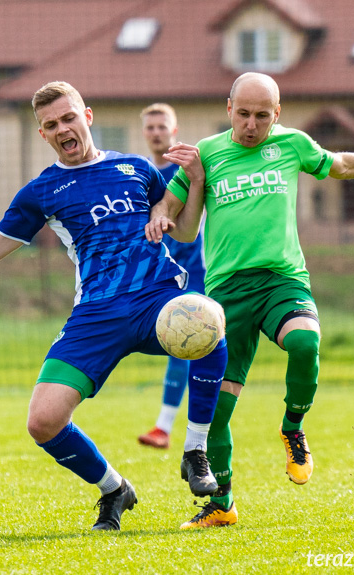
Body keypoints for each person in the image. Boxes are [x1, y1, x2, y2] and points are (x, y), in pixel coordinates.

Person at [0, 81, 228, 532]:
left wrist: (194, 183)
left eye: (68, 118)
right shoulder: (42, 192)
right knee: (42, 422)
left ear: (88, 116)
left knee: (208, 323)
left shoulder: (136, 168)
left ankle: (194, 450)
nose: (63, 129)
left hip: (155, 300)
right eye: (51, 125)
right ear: (42, 134)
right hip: (95, 316)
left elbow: (183, 231)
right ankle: (115, 489)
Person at [146, 72, 354, 529]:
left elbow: (340, 165)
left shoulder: (292, 144)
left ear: (278, 113)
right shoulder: (208, 154)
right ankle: (222, 503)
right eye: (243, 114)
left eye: (262, 116)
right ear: (229, 106)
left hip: (282, 279)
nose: (251, 125)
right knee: (217, 408)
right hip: (226, 294)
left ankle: (292, 426)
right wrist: (161, 218)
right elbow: (175, 213)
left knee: (304, 344)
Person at [136, 103, 207, 450]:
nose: (156, 133)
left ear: (174, 131)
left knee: (187, 345)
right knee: (183, 347)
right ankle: (184, 428)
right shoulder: (142, 174)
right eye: (149, 128)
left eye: (162, 126)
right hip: (161, 277)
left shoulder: (186, 171)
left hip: (194, 273)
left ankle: (168, 428)